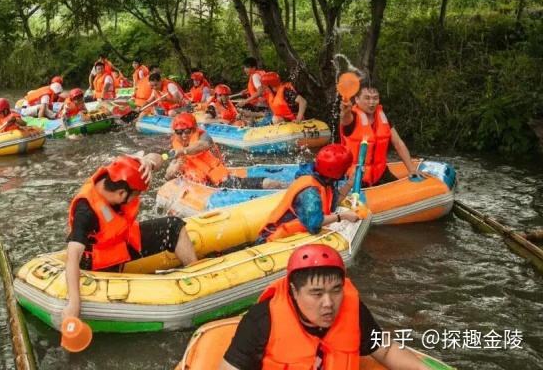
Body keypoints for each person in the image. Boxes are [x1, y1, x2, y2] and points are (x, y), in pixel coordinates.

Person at [220, 244, 431, 370]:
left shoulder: (353, 310)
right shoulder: (261, 321)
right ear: (294, 290)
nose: (329, 303)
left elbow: (385, 351)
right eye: (316, 293)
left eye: (336, 290)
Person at [64, 154, 199, 319]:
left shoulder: (113, 178)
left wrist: (148, 163)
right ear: (122, 194)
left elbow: (158, 157)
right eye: (136, 195)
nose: (137, 198)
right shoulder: (85, 212)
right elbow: (72, 257)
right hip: (100, 261)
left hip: (123, 239)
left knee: (174, 226)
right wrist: (74, 303)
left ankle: (197, 275)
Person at [257, 144, 359, 243]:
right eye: (345, 169)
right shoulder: (310, 192)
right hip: (275, 239)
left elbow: (332, 204)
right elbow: (314, 224)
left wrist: (350, 183)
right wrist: (343, 216)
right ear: (336, 171)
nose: (346, 171)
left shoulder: (323, 179)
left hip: (292, 234)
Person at [164, 113, 286, 189]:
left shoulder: (204, 136)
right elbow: (168, 175)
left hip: (221, 180)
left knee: (269, 184)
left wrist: (184, 151)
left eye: (187, 131)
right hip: (199, 186)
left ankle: (289, 187)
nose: (183, 135)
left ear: (194, 129)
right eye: (179, 132)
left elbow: (203, 145)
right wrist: (173, 170)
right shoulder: (176, 148)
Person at [339, 82, 422, 187]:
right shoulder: (352, 117)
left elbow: (398, 143)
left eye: (375, 98)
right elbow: (345, 119)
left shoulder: (382, 117)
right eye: (367, 98)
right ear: (357, 99)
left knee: (401, 192)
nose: (372, 102)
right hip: (356, 175)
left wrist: (412, 169)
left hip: (380, 172)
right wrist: (345, 112)